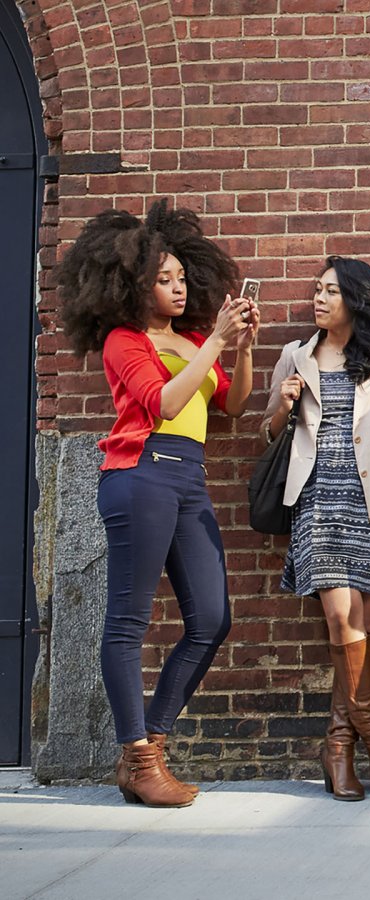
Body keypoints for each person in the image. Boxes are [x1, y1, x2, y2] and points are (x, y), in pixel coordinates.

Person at [57, 200, 257, 807]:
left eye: (180, 278)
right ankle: (139, 759)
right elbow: (165, 403)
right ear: (131, 285)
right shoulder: (125, 340)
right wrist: (213, 344)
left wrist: (238, 346)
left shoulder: (193, 339)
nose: (176, 288)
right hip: (140, 475)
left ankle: (150, 743)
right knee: (128, 620)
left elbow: (234, 406)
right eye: (162, 280)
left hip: (188, 480)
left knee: (212, 619)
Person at [264, 257, 370, 801]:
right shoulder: (295, 356)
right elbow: (269, 431)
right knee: (341, 620)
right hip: (317, 505)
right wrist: (281, 406)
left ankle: (337, 745)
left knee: (361, 629)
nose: (319, 298)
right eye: (317, 290)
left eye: (331, 291)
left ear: (357, 299)